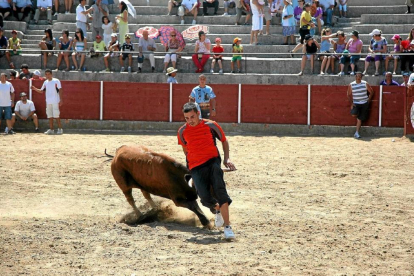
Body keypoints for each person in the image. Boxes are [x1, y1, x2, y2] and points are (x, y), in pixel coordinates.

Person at [177, 102, 237, 240]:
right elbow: (186, 150)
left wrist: (226, 159)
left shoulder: (211, 125)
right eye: (186, 118)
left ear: (198, 113)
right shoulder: (182, 131)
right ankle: (217, 210)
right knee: (204, 199)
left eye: (192, 117)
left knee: (220, 191)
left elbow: (224, 140)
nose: (190, 121)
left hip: (213, 162)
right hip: (196, 167)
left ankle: (227, 227)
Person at [31, 69, 64, 135]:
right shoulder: (45, 82)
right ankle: (51, 129)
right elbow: (41, 91)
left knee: (56, 115)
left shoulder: (56, 81)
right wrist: (34, 89)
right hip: (48, 101)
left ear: (51, 74)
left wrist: (61, 99)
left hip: (55, 101)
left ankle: (60, 129)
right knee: (50, 116)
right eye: (46, 74)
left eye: (49, 74)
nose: (48, 76)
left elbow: (60, 90)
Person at [347, 72, 374, 139]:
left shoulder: (365, 83)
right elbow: (348, 94)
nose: (358, 77)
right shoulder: (351, 84)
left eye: (360, 76)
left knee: (360, 118)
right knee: (354, 114)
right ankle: (357, 132)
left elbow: (371, 92)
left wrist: (368, 101)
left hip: (364, 103)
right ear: (355, 77)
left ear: (361, 77)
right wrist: (352, 103)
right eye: (357, 76)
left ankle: (357, 132)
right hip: (356, 103)